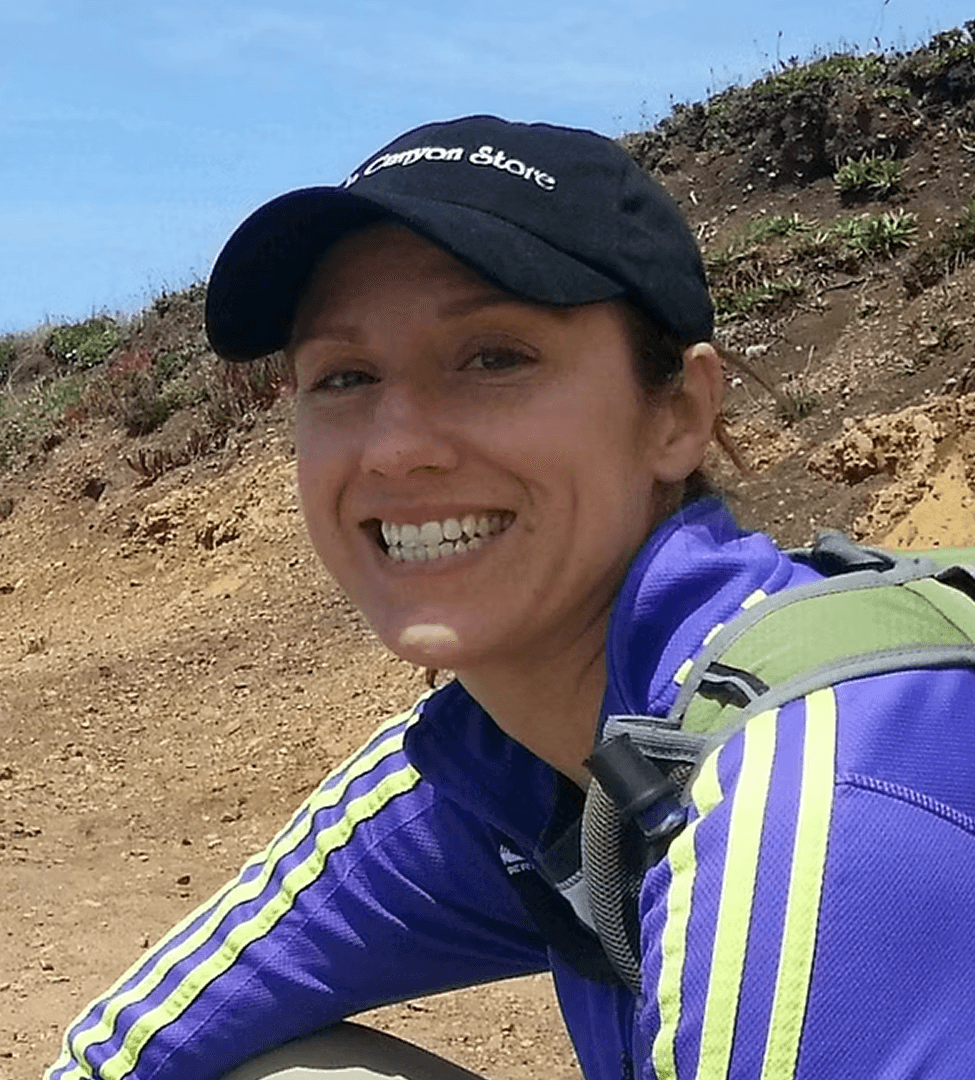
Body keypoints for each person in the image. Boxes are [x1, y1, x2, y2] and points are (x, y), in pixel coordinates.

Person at [45, 115, 975, 1080]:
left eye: (493, 358)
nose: (396, 447)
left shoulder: (812, 805)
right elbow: (137, 1043)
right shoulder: (496, 760)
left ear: (678, 414)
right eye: (345, 376)